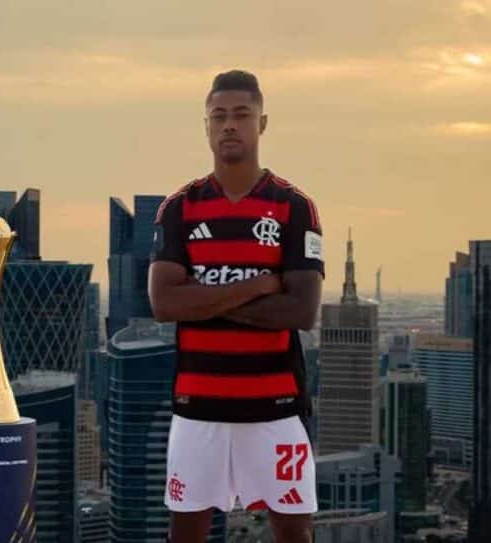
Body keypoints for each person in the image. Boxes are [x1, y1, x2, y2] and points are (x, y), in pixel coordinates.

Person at [149, 70, 324, 543]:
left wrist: (202, 300)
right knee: (186, 532)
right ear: (206, 126)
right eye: (219, 116)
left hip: (276, 408)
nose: (229, 124)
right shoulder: (179, 208)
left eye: (241, 115)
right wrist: (261, 284)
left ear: (261, 123)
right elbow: (164, 303)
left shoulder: (294, 206)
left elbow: (301, 312)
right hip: (197, 408)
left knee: (294, 532)